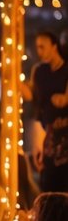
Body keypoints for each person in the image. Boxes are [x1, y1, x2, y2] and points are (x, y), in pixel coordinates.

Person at [29, 31, 68, 192]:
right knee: (48, 184)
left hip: (64, 132)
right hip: (48, 132)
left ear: (54, 46)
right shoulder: (39, 71)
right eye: (37, 48)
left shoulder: (66, 69)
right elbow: (31, 95)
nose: (39, 52)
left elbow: (63, 100)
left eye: (42, 47)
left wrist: (62, 99)